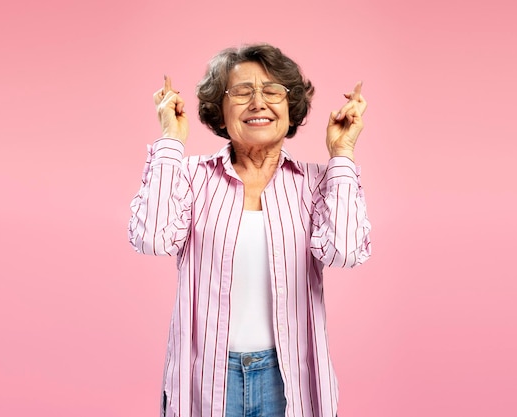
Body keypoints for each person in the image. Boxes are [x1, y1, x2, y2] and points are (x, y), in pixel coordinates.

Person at [128, 43, 371, 417]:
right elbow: (152, 238)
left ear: (291, 110)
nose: (258, 102)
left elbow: (346, 251)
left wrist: (342, 153)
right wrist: (171, 140)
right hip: (205, 380)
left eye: (273, 91)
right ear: (220, 113)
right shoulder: (191, 177)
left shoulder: (317, 182)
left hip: (290, 380)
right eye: (241, 92)